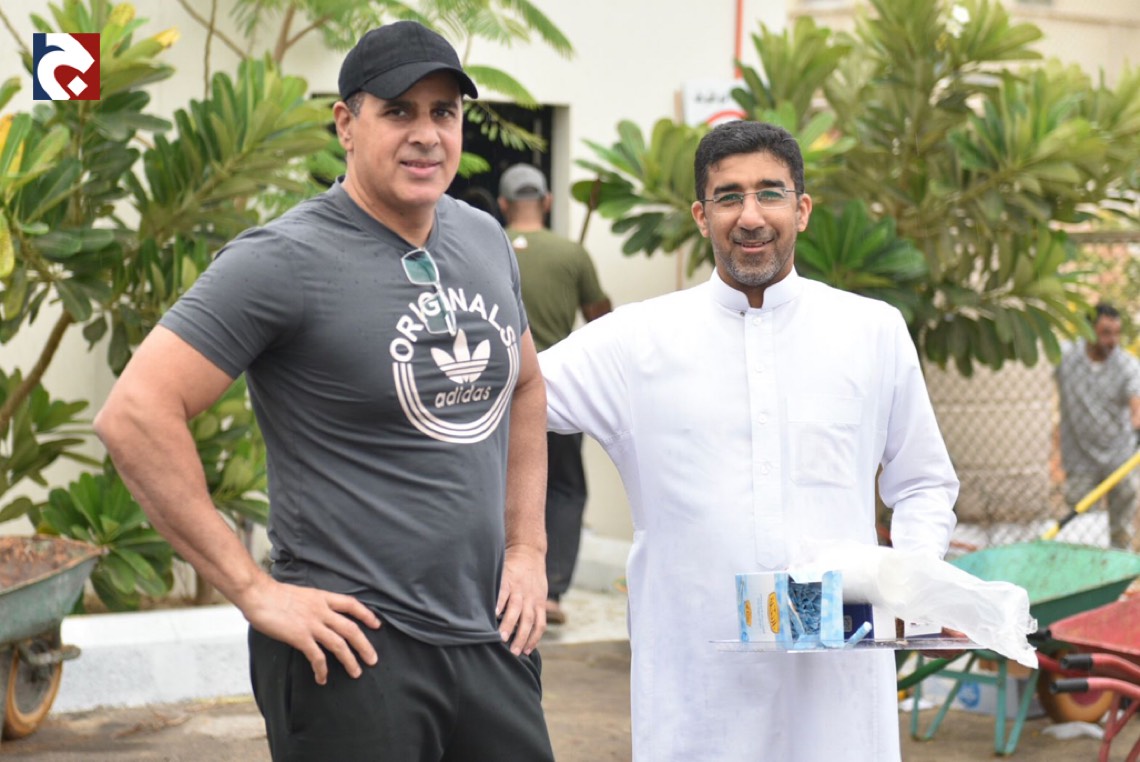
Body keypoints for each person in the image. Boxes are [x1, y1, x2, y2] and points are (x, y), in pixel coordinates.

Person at [94, 21, 554, 762]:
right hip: (353, 649)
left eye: (443, 112)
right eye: (398, 111)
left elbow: (526, 385)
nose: (426, 134)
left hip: (490, 634)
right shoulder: (283, 259)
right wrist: (252, 590)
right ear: (346, 123)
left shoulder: (481, 236)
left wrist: (527, 548)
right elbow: (135, 413)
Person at [538, 120, 960, 761]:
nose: (751, 216)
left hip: (836, 692)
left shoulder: (870, 331)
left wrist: (913, 578)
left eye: (770, 193)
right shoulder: (636, 341)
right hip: (699, 693)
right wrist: (521, 548)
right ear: (701, 216)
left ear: (803, 209)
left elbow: (924, 481)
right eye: (729, 197)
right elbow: (510, 399)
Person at [498, 162, 612, 625]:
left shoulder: (487, 245)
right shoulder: (571, 254)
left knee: (495, 484)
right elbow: (602, 319)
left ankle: (497, 585)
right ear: (546, 202)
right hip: (554, 392)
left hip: (495, 391)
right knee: (563, 488)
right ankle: (552, 591)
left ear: (503, 204)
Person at [1055, 302, 1140, 549]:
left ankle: (1120, 566)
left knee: (1121, 528)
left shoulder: (1127, 365)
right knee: (1081, 528)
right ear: (1088, 330)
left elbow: (1136, 401)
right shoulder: (1065, 357)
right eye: (1105, 333)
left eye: (1116, 333)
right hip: (1079, 457)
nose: (1113, 341)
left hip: (1120, 457)